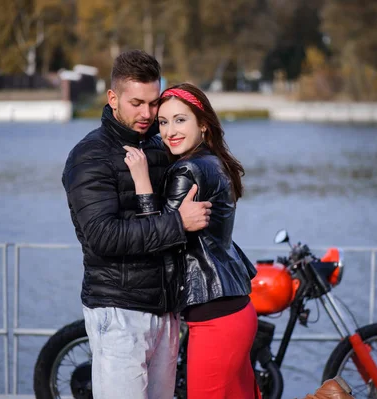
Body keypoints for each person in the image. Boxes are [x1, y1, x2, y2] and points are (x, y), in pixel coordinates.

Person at [61, 51, 212, 399]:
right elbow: (103, 237)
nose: (147, 114)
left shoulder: (161, 148)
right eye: (136, 103)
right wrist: (178, 223)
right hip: (119, 312)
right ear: (112, 98)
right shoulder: (89, 157)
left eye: (153, 102)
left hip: (166, 314)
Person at [123, 83, 259, 398]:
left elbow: (157, 239)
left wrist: (143, 182)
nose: (170, 131)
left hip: (215, 320)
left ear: (203, 124)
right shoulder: (214, 161)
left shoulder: (187, 169)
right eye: (164, 121)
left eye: (180, 120)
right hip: (235, 310)